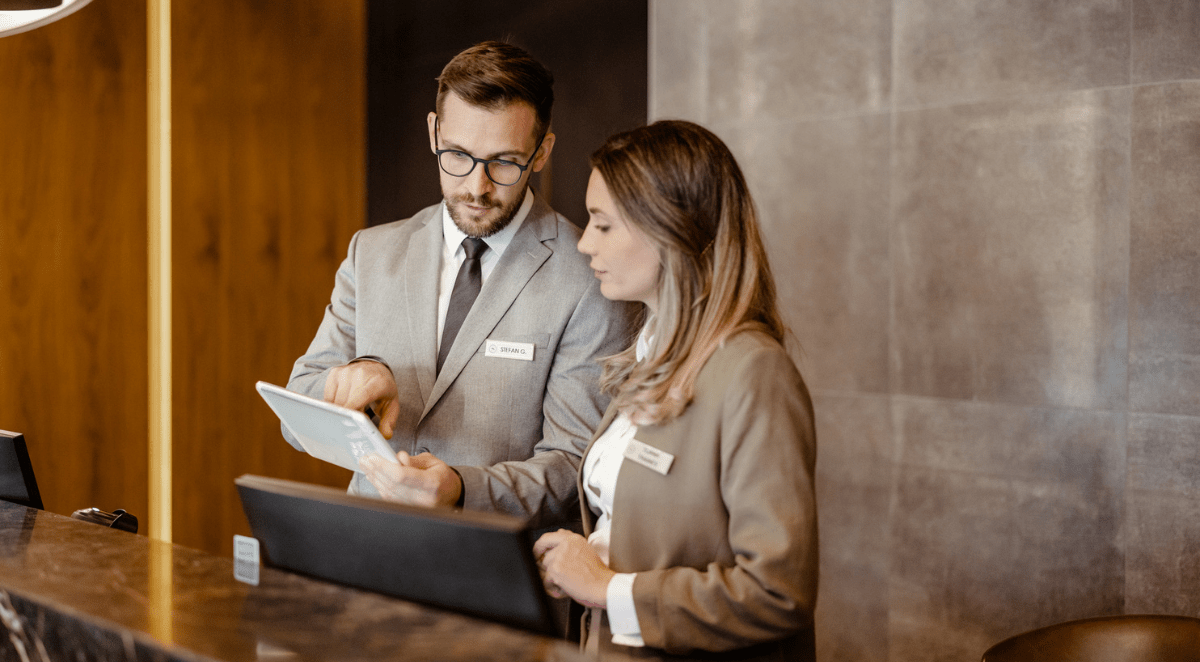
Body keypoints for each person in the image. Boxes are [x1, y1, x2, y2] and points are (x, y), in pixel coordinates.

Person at [285, 41, 634, 527]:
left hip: (492, 565)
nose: (476, 187)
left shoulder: (589, 277)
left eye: (504, 161)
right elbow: (296, 413)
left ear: (541, 153)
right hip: (367, 548)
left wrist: (462, 489)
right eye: (458, 155)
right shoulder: (373, 252)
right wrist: (355, 380)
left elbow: (575, 466)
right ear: (434, 132)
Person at [533, 120, 818, 661]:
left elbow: (778, 593)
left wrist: (607, 588)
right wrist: (587, 558)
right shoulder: (648, 356)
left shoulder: (754, 373)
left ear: (670, 231)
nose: (584, 243)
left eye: (603, 225)